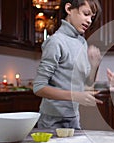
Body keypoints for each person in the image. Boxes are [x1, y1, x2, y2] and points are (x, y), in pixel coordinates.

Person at [33, 0, 102, 129]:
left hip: (74, 117)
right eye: (86, 14)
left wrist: (94, 66)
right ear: (69, 9)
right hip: (52, 120)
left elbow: (87, 85)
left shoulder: (82, 42)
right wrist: (75, 96)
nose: (89, 21)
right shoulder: (56, 42)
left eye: (91, 17)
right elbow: (38, 87)